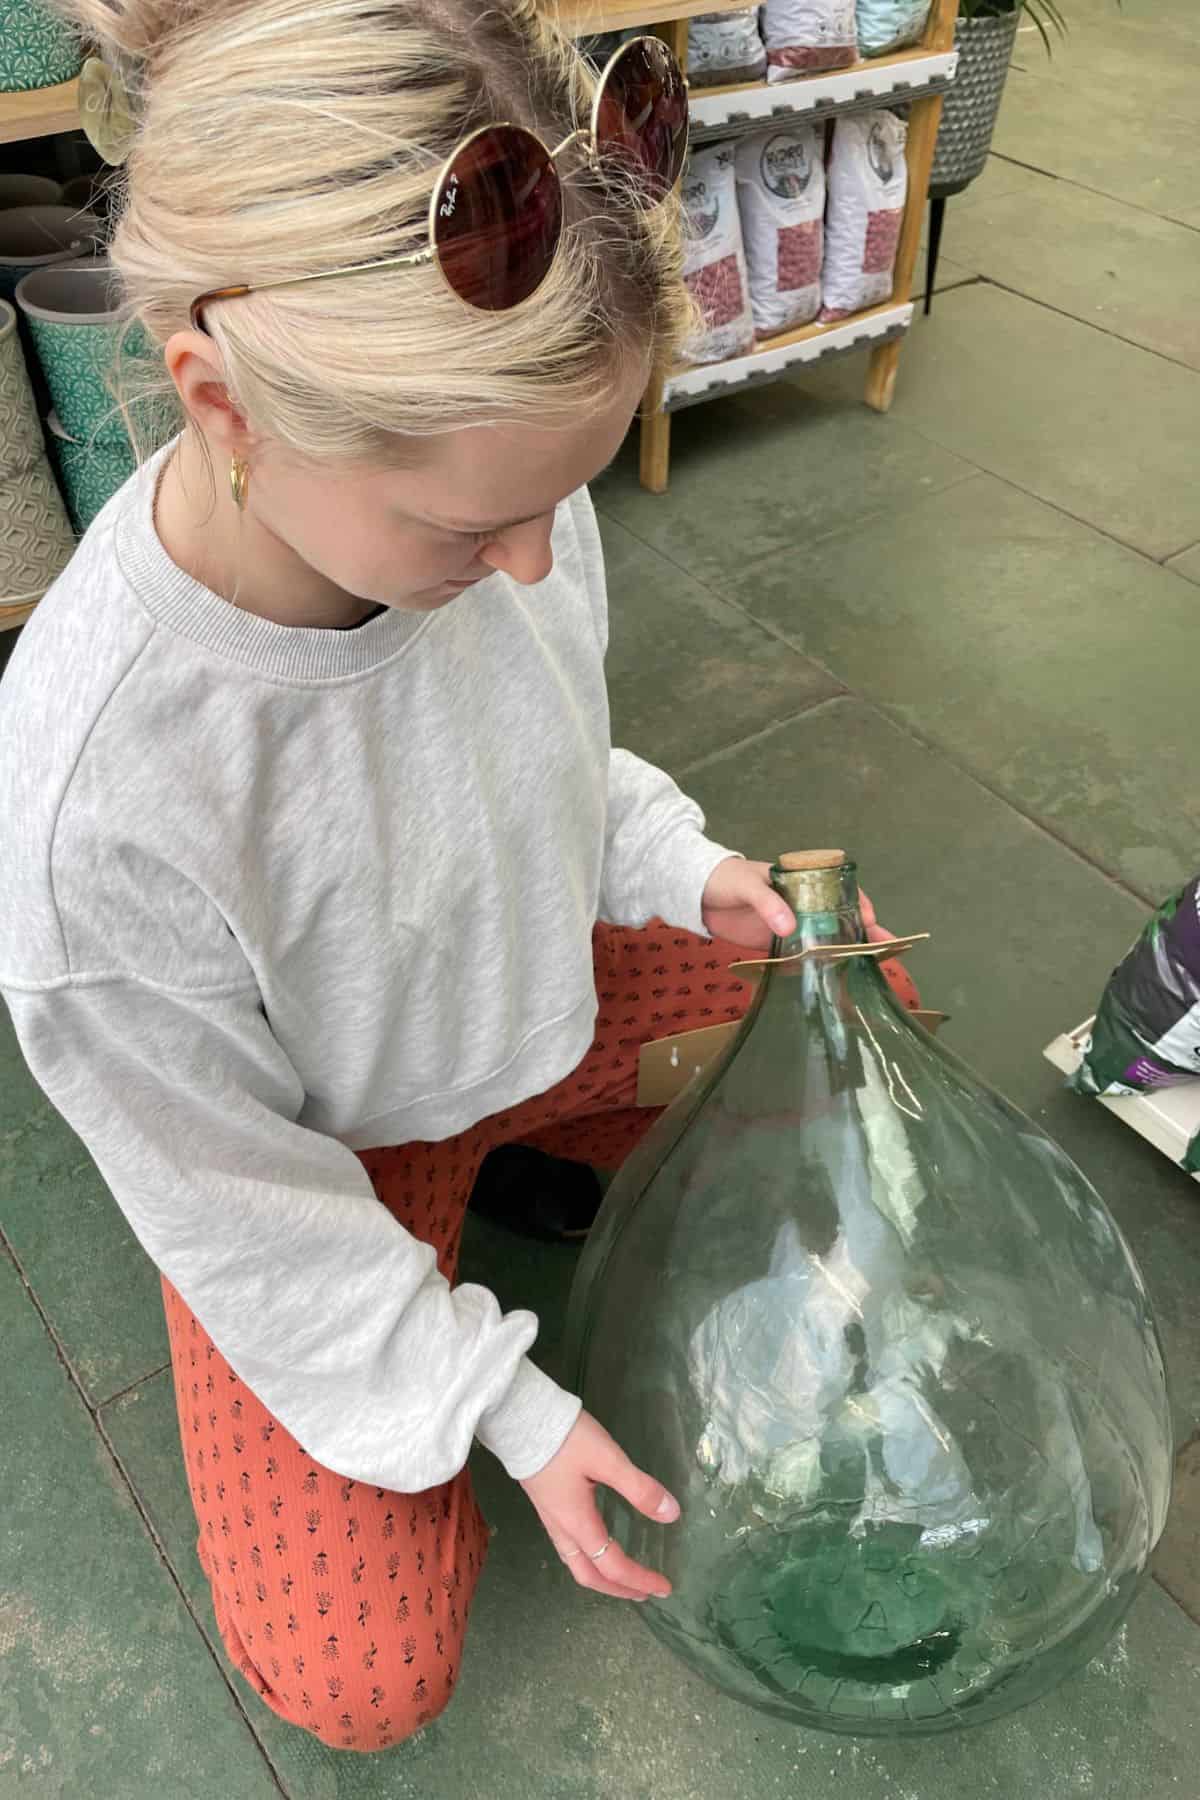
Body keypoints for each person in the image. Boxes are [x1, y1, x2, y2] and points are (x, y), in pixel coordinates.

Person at [0, 0, 914, 1754]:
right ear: (222, 399)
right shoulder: (94, 812)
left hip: (510, 981)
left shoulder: (498, 498)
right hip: (309, 1166)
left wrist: (681, 861)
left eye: (556, 504)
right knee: (363, 1681)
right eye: (462, 528)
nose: (524, 564)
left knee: (839, 975)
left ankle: (548, 1139)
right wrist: (499, 1400)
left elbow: (553, 754)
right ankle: (511, 1184)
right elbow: (244, 1209)